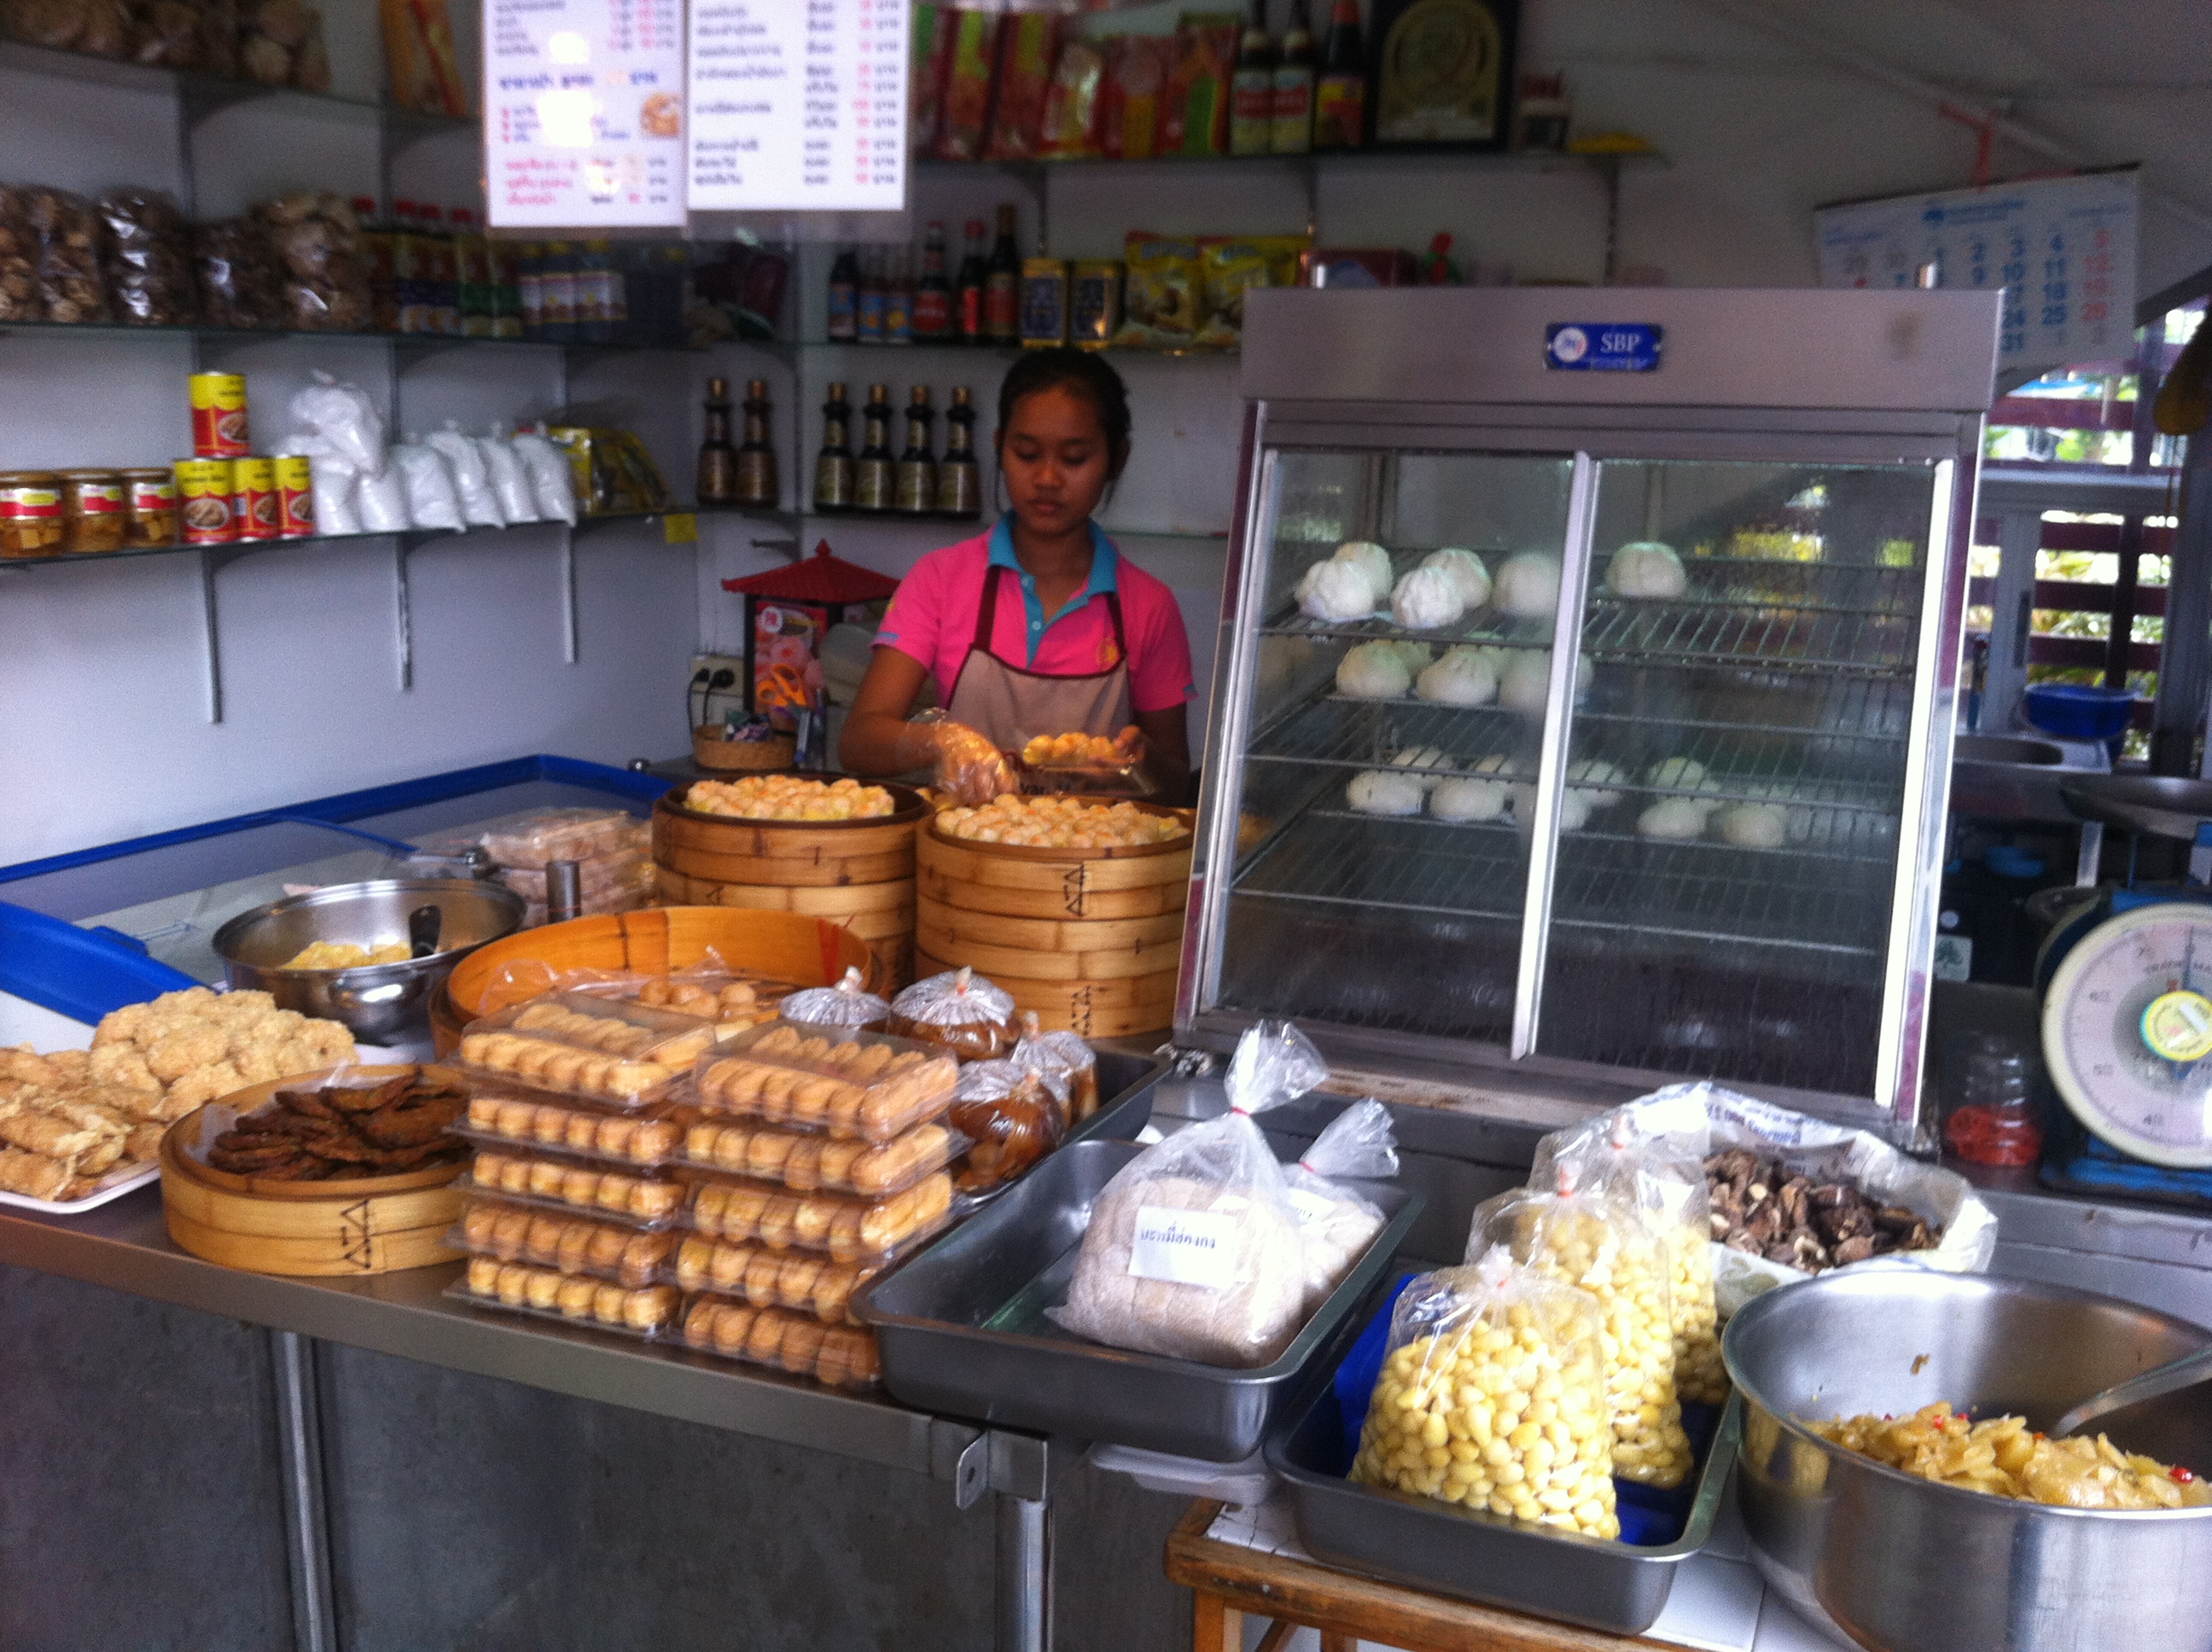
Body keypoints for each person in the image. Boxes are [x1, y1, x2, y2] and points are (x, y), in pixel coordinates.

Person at [838, 348, 1196, 798]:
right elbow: (858, 742)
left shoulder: (1148, 605)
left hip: (1094, 860)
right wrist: (941, 740)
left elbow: (1178, 784)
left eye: (1074, 459)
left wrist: (1141, 761)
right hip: (968, 850)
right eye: (1026, 454)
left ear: (1116, 459)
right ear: (999, 447)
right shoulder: (940, 580)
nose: (1047, 478)